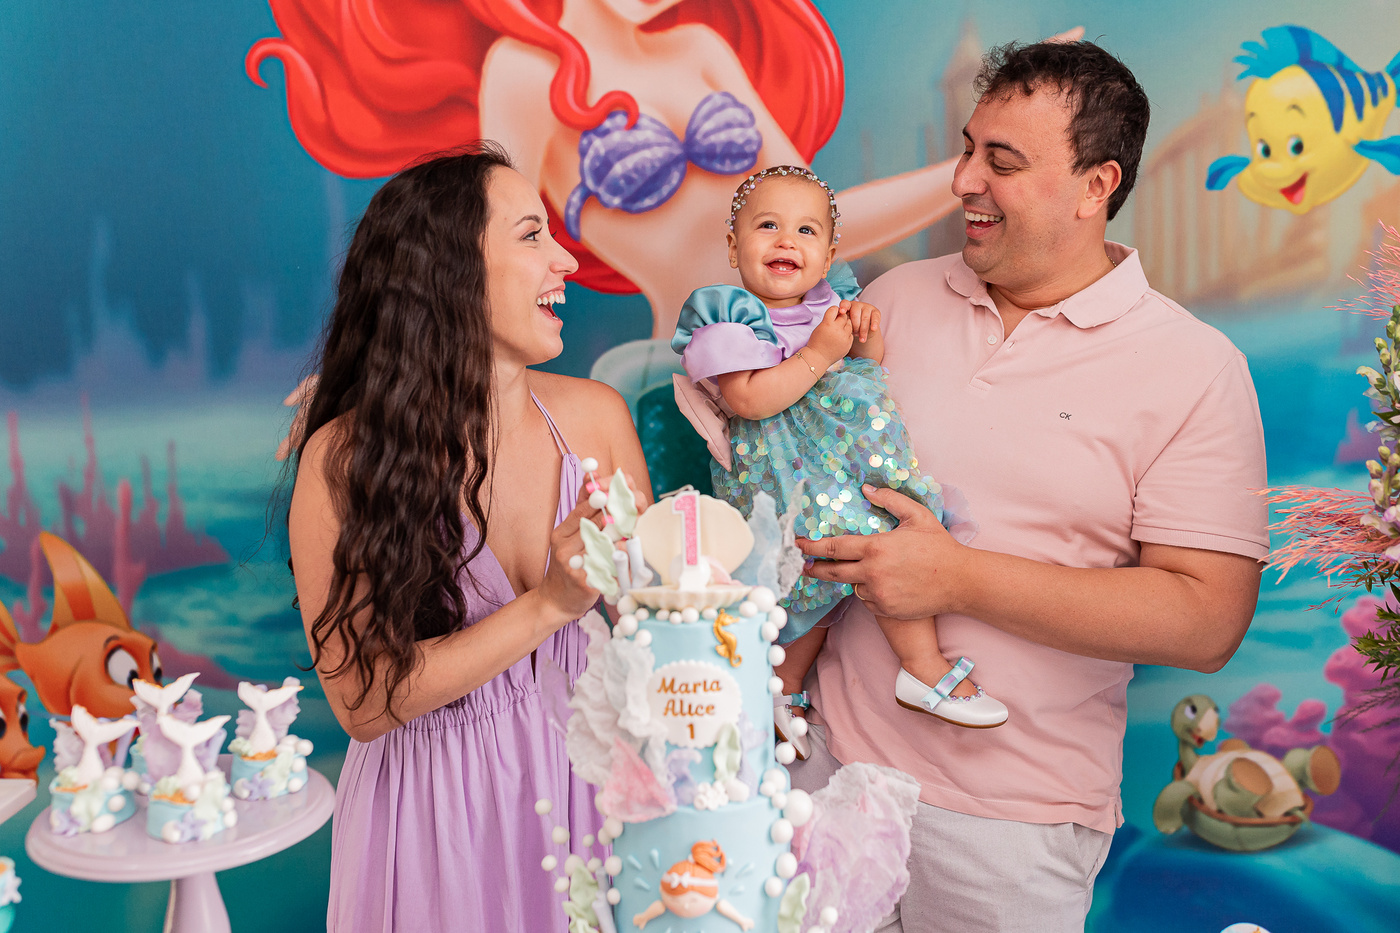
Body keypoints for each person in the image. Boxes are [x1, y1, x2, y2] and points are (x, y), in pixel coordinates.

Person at [789, 41, 1269, 932]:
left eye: (1001, 162)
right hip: (826, 779)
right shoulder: (890, 301)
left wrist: (958, 578)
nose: (963, 180)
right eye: (967, 149)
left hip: (1013, 830)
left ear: (1096, 185)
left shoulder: (1197, 368)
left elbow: (1207, 620)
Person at [286, 144, 651, 932]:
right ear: (447, 272)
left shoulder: (597, 418)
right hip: (433, 821)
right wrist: (550, 604)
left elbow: (656, 634)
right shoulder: (342, 462)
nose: (566, 261)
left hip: (590, 793)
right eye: (531, 235)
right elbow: (362, 703)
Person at [246, 0, 968, 340]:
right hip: (694, 368)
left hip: (811, 346)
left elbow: (825, 225)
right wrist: (366, 369)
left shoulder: (700, 50)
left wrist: (969, 171)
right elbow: (476, 246)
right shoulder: (524, 74)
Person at [671, 165, 1008, 757]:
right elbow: (748, 400)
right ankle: (911, 669)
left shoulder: (831, 305)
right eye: (768, 226)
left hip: (843, 464)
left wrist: (863, 341)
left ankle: (799, 684)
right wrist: (821, 353)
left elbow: (863, 372)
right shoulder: (730, 314)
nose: (786, 240)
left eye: (805, 231)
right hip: (783, 472)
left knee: (863, 556)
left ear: (827, 256)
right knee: (840, 559)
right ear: (733, 244)